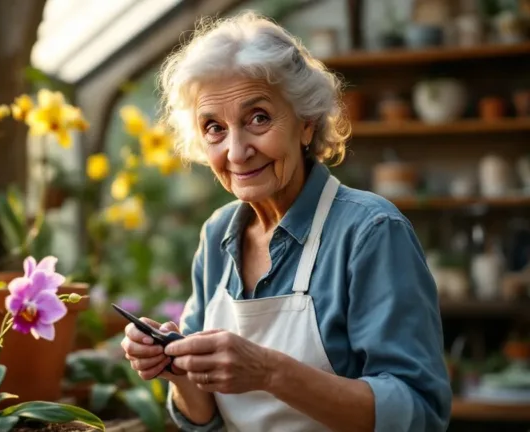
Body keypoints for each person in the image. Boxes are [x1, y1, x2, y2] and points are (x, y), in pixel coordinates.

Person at [120, 11, 452, 432]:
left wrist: (269, 372)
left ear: (306, 124)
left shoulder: (370, 232)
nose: (237, 152)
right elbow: (202, 418)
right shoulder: (219, 234)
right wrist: (175, 366)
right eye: (214, 128)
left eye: (258, 118)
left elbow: (418, 413)